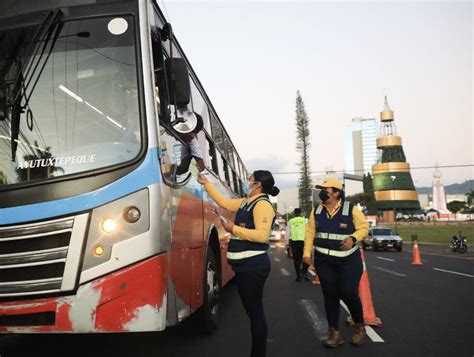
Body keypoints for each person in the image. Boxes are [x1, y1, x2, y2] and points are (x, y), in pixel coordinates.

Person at [197, 170, 279, 357]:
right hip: (244, 267)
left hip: (253, 266)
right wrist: (205, 184)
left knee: (255, 312)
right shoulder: (246, 202)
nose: (246, 182)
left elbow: (262, 235)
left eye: (249, 180)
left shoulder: (263, 205)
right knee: (253, 312)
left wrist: (232, 228)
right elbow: (224, 202)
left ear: (258, 185)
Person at [302, 178, 369, 348]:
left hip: (348, 260)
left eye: (325, 189)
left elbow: (364, 228)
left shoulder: (351, 209)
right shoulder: (316, 211)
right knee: (330, 295)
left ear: (336, 192)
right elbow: (310, 233)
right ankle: (334, 333)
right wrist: (306, 254)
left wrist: (353, 238)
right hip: (324, 261)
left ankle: (359, 326)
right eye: (320, 189)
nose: (322, 192)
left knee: (349, 293)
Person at [287, 208, 309, 281]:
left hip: (294, 242)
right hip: (304, 242)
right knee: (307, 257)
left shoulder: (290, 221)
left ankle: (298, 275)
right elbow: (309, 231)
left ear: (294, 213)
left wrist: (287, 243)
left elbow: (288, 233)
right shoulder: (305, 220)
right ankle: (304, 273)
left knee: (297, 260)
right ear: (301, 213)